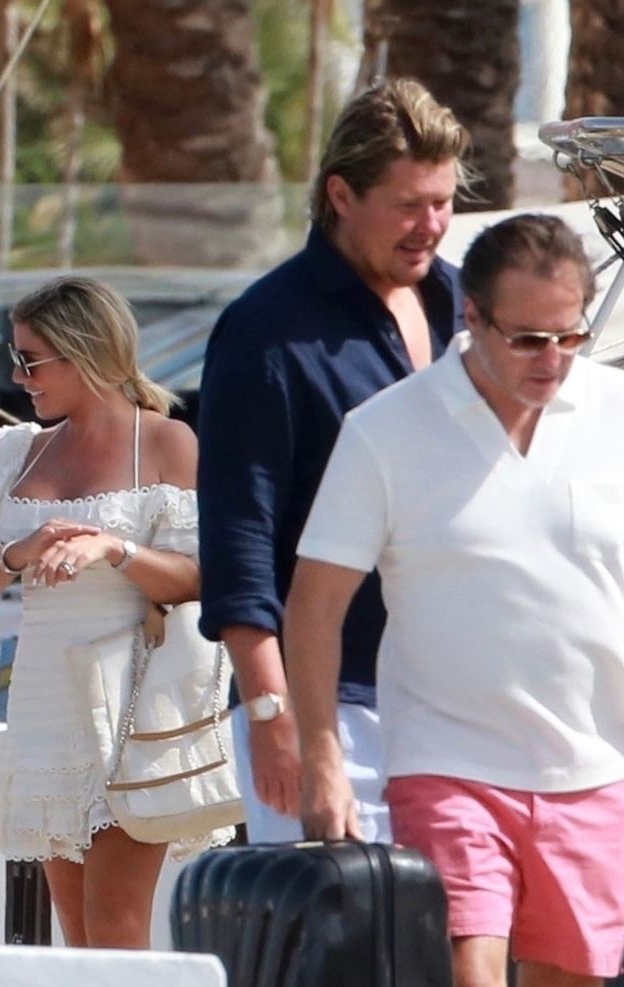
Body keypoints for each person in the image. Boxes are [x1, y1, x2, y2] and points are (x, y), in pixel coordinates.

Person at [285, 214, 624, 987]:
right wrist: (322, 757)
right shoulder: (385, 430)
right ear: (472, 317)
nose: (553, 360)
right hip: (446, 760)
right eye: (529, 340)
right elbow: (313, 603)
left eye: (571, 336)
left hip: (601, 762)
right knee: (470, 986)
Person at [196, 79, 469, 845]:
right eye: (409, 205)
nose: (431, 225)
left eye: (444, 202)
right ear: (341, 195)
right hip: (330, 709)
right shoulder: (264, 331)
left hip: (462, 701)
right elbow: (238, 539)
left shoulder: (461, 306)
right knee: (339, 922)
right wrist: (272, 717)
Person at [0, 277, 219, 949]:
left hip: (130, 703)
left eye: (31, 360)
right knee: (78, 933)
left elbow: (199, 579)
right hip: (45, 708)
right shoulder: (20, 451)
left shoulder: (167, 441)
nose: (19, 378)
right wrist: (19, 552)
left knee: (115, 925)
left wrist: (115, 548)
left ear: (84, 352)